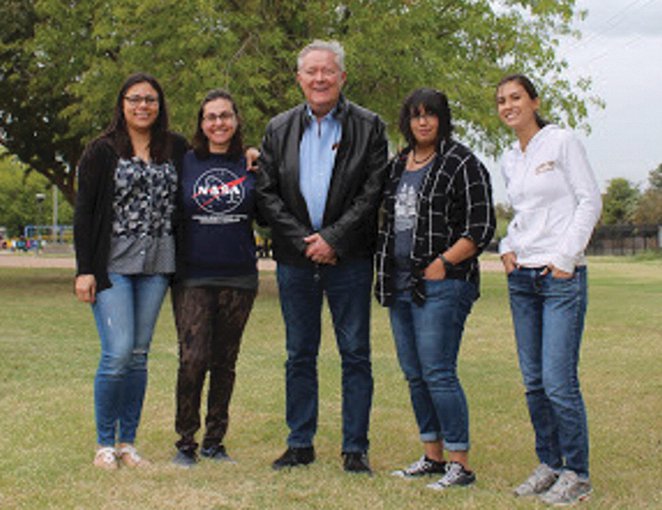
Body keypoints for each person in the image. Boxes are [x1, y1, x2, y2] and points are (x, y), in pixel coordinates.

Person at [256, 39, 388, 474]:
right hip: (296, 261)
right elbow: (268, 193)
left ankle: (355, 448)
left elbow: (373, 193)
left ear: (342, 77)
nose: (319, 79)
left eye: (327, 71)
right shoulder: (278, 128)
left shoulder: (370, 127)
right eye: (310, 71)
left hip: (348, 259)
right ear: (299, 78)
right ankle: (300, 443)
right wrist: (305, 241)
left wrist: (332, 238)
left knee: (355, 353)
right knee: (299, 354)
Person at [375, 88, 495, 490]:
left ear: (443, 119)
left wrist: (443, 263)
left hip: (444, 284)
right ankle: (432, 455)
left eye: (430, 115)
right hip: (400, 282)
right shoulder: (397, 166)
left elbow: (480, 228)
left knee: (438, 371)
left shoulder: (463, 163)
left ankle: (460, 463)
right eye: (415, 115)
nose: (422, 122)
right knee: (414, 373)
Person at [495, 74, 602, 505]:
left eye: (516, 97)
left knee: (559, 381)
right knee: (534, 382)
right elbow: (523, 213)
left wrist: (564, 257)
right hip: (522, 278)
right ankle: (550, 464)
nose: (508, 106)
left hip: (559, 278)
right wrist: (506, 246)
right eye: (501, 100)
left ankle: (577, 474)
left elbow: (589, 200)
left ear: (534, 101)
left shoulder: (562, 142)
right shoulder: (509, 157)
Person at [74, 72, 187, 469]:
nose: (143, 106)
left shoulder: (175, 147)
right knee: (117, 352)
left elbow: (212, 161)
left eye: (151, 99)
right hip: (112, 266)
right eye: (135, 98)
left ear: (160, 105)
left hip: (157, 264)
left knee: (139, 356)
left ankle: (128, 443)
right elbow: (84, 214)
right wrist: (84, 269)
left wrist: (249, 156)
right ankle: (104, 443)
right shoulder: (101, 151)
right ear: (122, 103)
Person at [170, 89, 258, 467]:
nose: (218, 123)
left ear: (236, 121)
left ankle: (214, 441)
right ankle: (185, 441)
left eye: (225, 115)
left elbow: (269, 213)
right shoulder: (184, 163)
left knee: (225, 362)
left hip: (239, 276)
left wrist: (259, 158)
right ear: (201, 124)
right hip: (192, 276)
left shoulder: (251, 164)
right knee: (193, 359)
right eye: (211, 117)